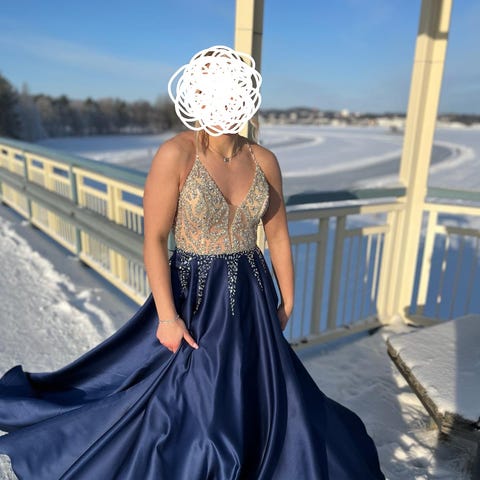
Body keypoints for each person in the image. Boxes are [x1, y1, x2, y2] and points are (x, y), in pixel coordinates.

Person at [0, 45, 385, 479]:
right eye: (207, 90)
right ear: (195, 94)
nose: (218, 100)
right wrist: (167, 317)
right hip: (195, 296)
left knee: (260, 392)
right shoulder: (176, 153)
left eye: (227, 90)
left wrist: (288, 301)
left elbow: (277, 234)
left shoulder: (264, 160)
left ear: (242, 94)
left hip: (253, 294)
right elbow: (154, 238)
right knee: (196, 400)